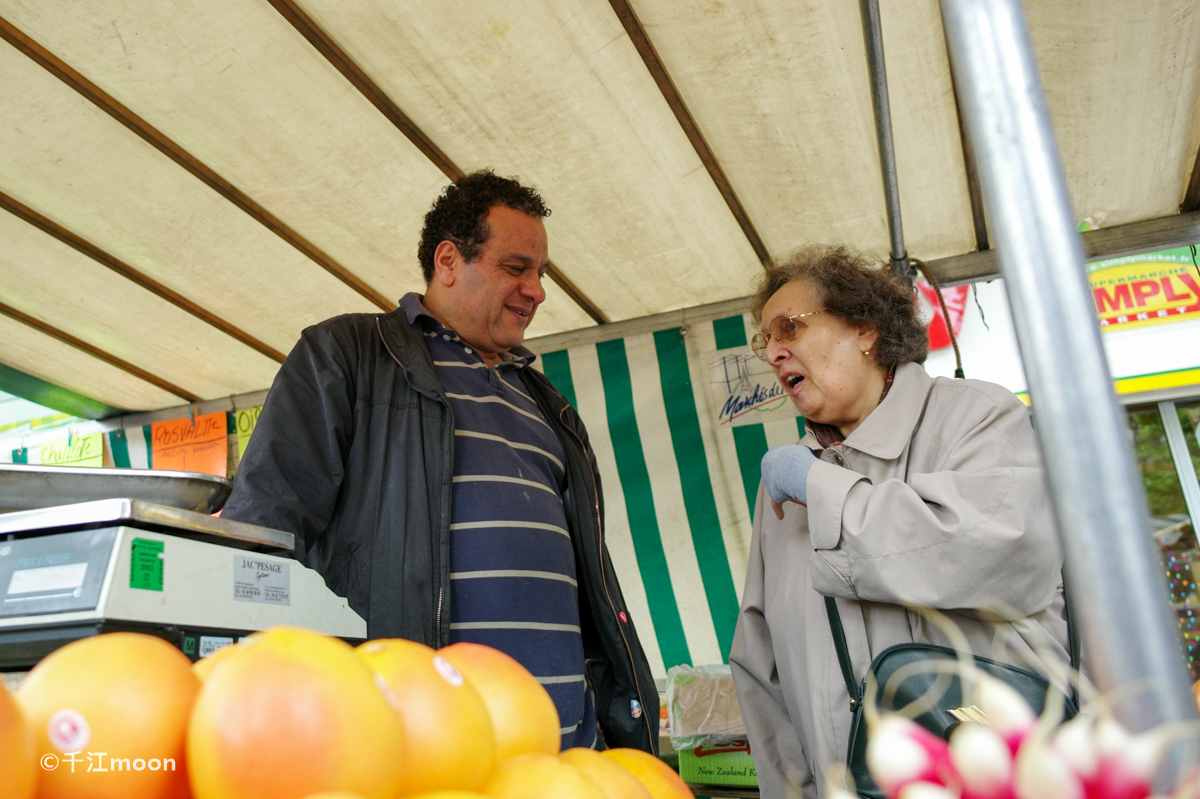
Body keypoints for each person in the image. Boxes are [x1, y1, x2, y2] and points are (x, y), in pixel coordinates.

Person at [222, 170, 657, 753]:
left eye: (541, 273)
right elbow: (262, 531)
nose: (538, 289)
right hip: (416, 746)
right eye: (516, 267)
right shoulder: (349, 356)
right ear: (449, 260)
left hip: (564, 757)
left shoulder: (549, 407)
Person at [728, 245, 1069, 798]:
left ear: (864, 329)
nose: (772, 352)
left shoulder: (976, 416)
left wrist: (820, 486)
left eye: (788, 328)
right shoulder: (785, 493)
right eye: (764, 340)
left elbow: (995, 547)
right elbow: (761, 671)